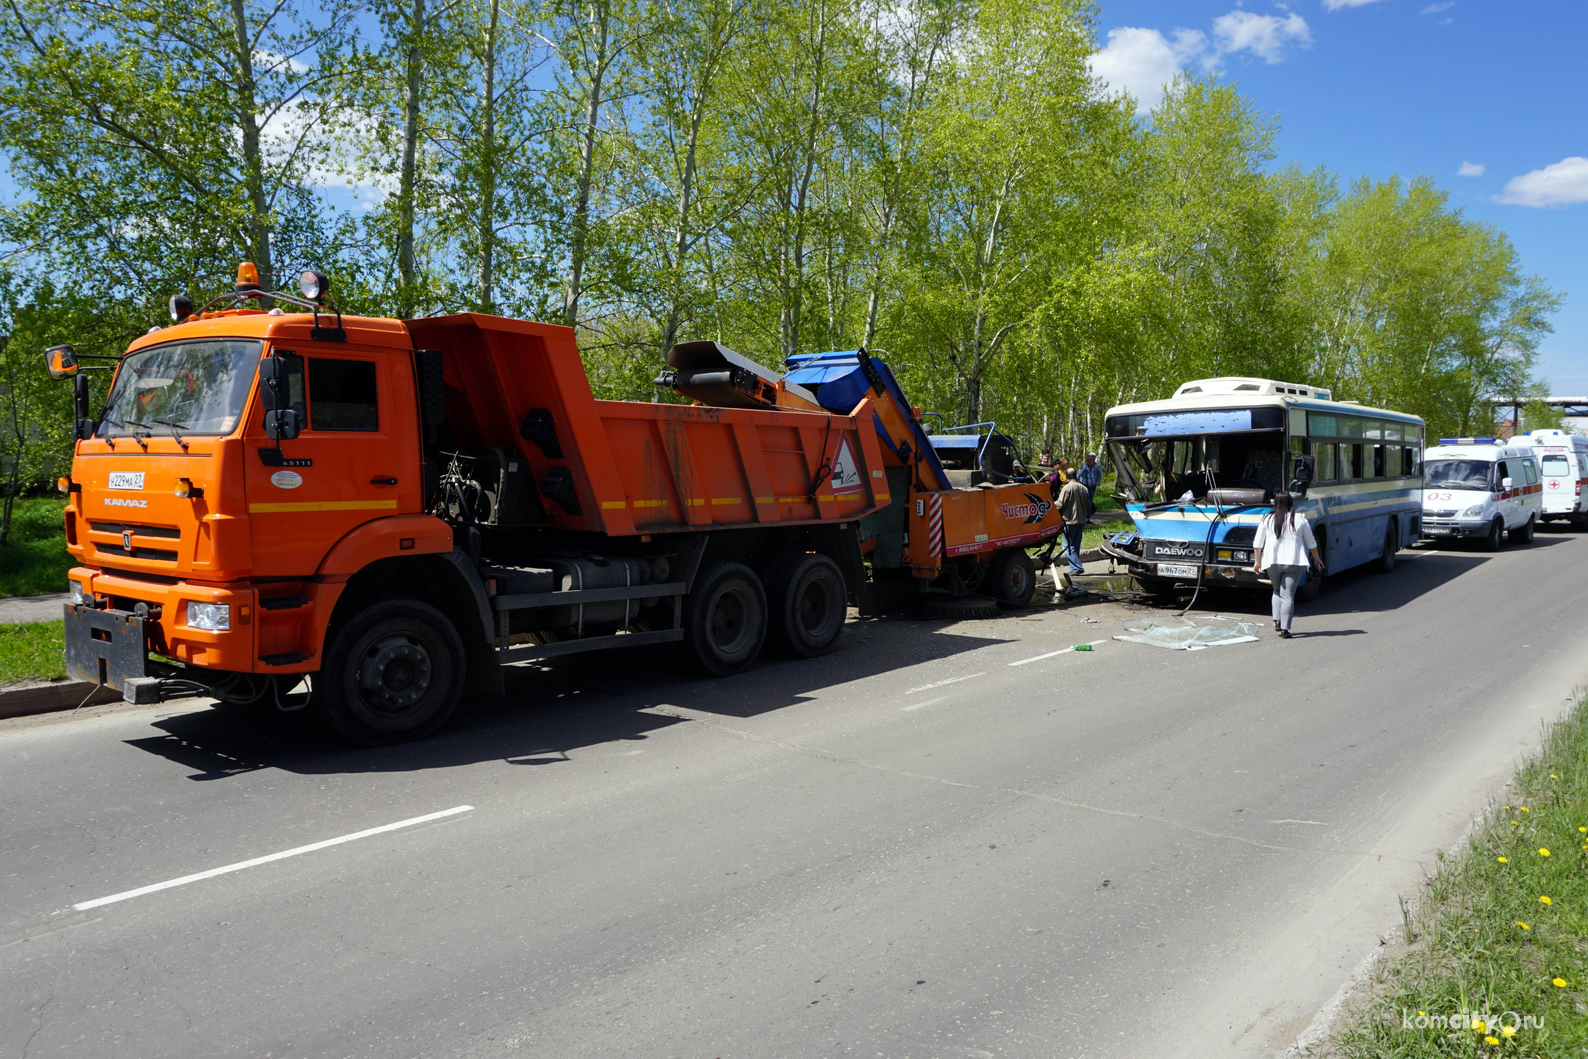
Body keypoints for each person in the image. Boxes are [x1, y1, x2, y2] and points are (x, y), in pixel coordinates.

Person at [1251, 492, 1323, 639]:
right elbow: (1311, 543)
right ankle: (1285, 630)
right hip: (1294, 562)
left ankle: (1277, 621)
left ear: (1275, 503)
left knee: (1277, 590)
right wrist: (1317, 559)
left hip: (1272, 562)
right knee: (1288, 595)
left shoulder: (1267, 519)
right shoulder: (1300, 519)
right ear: (1291, 503)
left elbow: (1257, 543)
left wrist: (1257, 561)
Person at [1057, 469, 1091, 579]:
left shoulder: (1067, 488)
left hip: (1069, 521)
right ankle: (1073, 568)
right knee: (1075, 546)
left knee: (1067, 546)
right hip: (1081, 520)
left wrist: (1049, 504)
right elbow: (1088, 505)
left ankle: (1077, 567)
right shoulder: (1084, 488)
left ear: (1066, 477)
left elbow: (1060, 504)